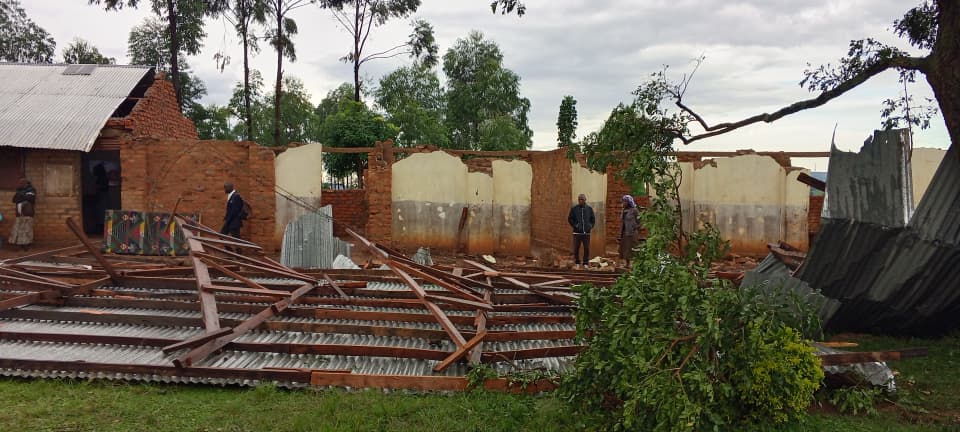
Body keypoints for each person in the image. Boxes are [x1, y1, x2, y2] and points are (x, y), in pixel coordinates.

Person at [567, 193, 595, 269]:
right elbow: (570, 219)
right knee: (576, 248)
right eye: (579, 199)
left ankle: (585, 262)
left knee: (586, 248)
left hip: (586, 233)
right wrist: (575, 225)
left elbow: (593, 219)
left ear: (585, 200)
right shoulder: (574, 209)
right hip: (577, 233)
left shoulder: (589, 209)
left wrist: (590, 226)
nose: (580, 201)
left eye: (582, 199)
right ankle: (577, 262)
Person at [9, 178, 36, 251]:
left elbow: (30, 199)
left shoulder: (31, 190)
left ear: (26, 183)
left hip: (27, 213)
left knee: (27, 230)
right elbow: (14, 200)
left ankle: (26, 245)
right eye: (20, 183)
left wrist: (21, 197)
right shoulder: (19, 190)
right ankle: (20, 245)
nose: (20, 184)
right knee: (18, 229)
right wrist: (22, 197)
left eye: (22, 183)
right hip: (19, 213)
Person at [619, 194, 640, 269]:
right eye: (623, 201)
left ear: (629, 202)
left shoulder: (634, 210)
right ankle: (627, 264)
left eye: (626, 201)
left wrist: (635, 228)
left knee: (632, 248)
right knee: (625, 248)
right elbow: (622, 221)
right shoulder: (623, 210)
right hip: (624, 232)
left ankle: (634, 264)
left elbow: (639, 220)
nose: (624, 203)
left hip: (632, 233)